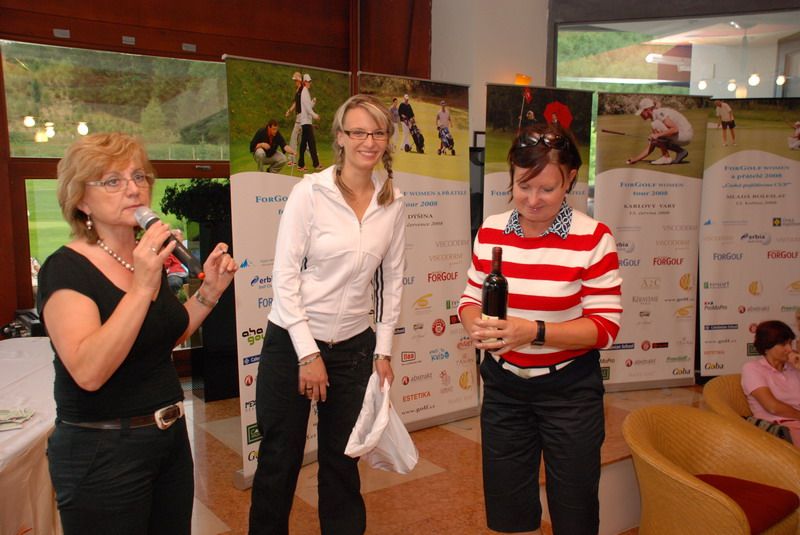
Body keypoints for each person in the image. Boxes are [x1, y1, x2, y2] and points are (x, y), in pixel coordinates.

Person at [36, 132, 237, 534]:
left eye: (139, 176)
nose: (133, 188)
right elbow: (89, 371)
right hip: (103, 451)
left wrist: (209, 294)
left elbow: (158, 339)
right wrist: (142, 286)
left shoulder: (142, 257)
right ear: (81, 200)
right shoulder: (65, 269)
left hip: (168, 440)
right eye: (112, 180)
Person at [248, 94, 405, 535]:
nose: (368, 141)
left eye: (378, 132)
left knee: (342, 462)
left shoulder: (393, 202)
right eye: (358, 132)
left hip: (354, 348)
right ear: (339, 137)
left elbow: (392, 280)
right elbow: (284, 277)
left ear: (387, 139)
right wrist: (307, 353)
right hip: (292, 341)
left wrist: (383, 350)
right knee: (280, 460)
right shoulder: (310, 193)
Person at [458, 123, 623, 535]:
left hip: (570, 392)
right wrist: (476, 326)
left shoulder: (594, 238)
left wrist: (533, 331)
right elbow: (469, 300)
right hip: (504, 388)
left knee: (574, 509)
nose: (532, 200)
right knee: (508, 509)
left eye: (547, 189)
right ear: (511, 177)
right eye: (523, 186)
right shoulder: (491, 230)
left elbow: (604, 328)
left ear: (569, 180)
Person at [742, 320, 800, 446]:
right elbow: (772, 407)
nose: (790, 349)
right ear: (767, 346)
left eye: (790, 343)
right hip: (779, 428)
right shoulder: (752, 368)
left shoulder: (793, 367)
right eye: (783, 344)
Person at [626, 97, 693, 165]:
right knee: (655, 141)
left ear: (647, 110)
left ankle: (666, 157)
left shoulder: (658, 113)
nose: (640, 115)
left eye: (641, 112)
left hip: (685, 135)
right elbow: (651, 146)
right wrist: (635, 159)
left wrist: (657, 135)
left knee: (655, 126)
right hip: (682, 135)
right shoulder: (655, 115)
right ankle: (681, 152)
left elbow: (675, 129)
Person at [297, 73, 321, 171]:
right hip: (306, 122)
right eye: (308, 81)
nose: (310, 83)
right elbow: (307, 108)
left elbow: (308, 106)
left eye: (310, 81)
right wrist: (315, 115)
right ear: (305, 82)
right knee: (311, 143)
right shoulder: (305, 92)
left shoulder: (305, 92)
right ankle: (316, 164)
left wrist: (313, 102)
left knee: (304, 144)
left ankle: (301, 164)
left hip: (306, 122)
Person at [284, 71, 304, 166]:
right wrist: (289, 111)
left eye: (295, 80)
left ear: (299, 80)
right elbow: (295, 103)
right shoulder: (298, 90)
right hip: (299, 116)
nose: (294, 82)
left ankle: (292, 159)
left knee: (294, 137)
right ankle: (315, 157)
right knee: (302, 140)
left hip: (302, 117)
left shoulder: (303, 90)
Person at [164, 229, 189, 295]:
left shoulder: (188, 245)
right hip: (176, 273)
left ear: (182, 237)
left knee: (197, 280)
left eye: (175, 235)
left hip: (189, 272)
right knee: (174, 283)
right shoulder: (169, 249)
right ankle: (175, 297)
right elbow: (165, 264)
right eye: (171, 236)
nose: (173, 238)